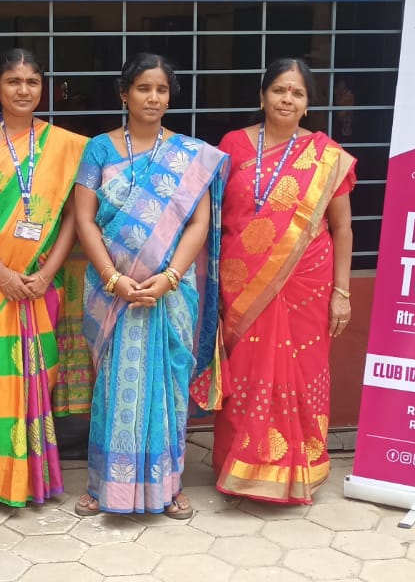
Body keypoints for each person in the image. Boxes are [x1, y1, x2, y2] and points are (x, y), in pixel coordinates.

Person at [70, 52, 228, 520]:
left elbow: (198, 222)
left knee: (169, 386)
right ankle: (103, 485)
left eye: (161, 89)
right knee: (112, 386)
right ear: (124, 94)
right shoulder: (99, 149)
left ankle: (170, 485)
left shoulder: (189, 155)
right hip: (112, 292)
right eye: (143, 88)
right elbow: (84, 219)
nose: (153, 98)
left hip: (169, 292)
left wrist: (170, 277)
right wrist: (113, 278)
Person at [209, 58, 356, 505]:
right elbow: (215, 216)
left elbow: (342, 228)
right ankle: (241, 466)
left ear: (308, 104)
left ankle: (300, 468)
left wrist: (342, 292)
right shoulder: (233, 144)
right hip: (242, 284)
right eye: (278, 90)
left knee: (303, 372)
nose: (286, 99)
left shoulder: (326, 156)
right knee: (246, 373)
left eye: (297, 93)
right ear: (262, 96)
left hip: (307, 284)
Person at [0, 49, 87, 511]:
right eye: (13, 81)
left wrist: (47, 273)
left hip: (39, 279)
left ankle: (30, 478)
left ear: (42, 88)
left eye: (31, 82)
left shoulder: (65, 145)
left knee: (36, 374)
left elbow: (74, 217)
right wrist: (2, 273)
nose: (23, 90)